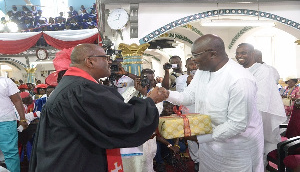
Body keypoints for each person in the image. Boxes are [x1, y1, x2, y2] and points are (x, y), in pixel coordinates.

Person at [29, 43, 168, 172]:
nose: (110, 61)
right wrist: (150, 100)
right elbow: (120, 120)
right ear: (90, 61)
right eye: (105, 57)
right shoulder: (81, 90)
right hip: (73, 162)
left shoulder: (72, 85)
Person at [165, 34, 264, 171]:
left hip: (236, 151)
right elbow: (189, 96)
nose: (193, 60)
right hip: (210, 146)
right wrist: (166, 94)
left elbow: (237, 124)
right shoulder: (203, 71)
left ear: (212, 54)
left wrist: (199, 138)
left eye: (196, 55)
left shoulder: (240, 80)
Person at [235, 43, 287, 163]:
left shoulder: (263, 70)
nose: (239, 56)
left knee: (256, 153)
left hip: (257, 116)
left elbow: (261, 99)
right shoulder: (238, 70)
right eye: (237, 53)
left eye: (243, 53)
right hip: (239, 116)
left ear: (252, 54)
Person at [0, 76, 28, 172]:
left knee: (11, 154)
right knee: (11, 154)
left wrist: (23, 119)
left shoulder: (6, 81)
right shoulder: (5, 82)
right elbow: (17, 100)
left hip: (6, 122)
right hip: (6, 122)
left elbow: (17, 100)